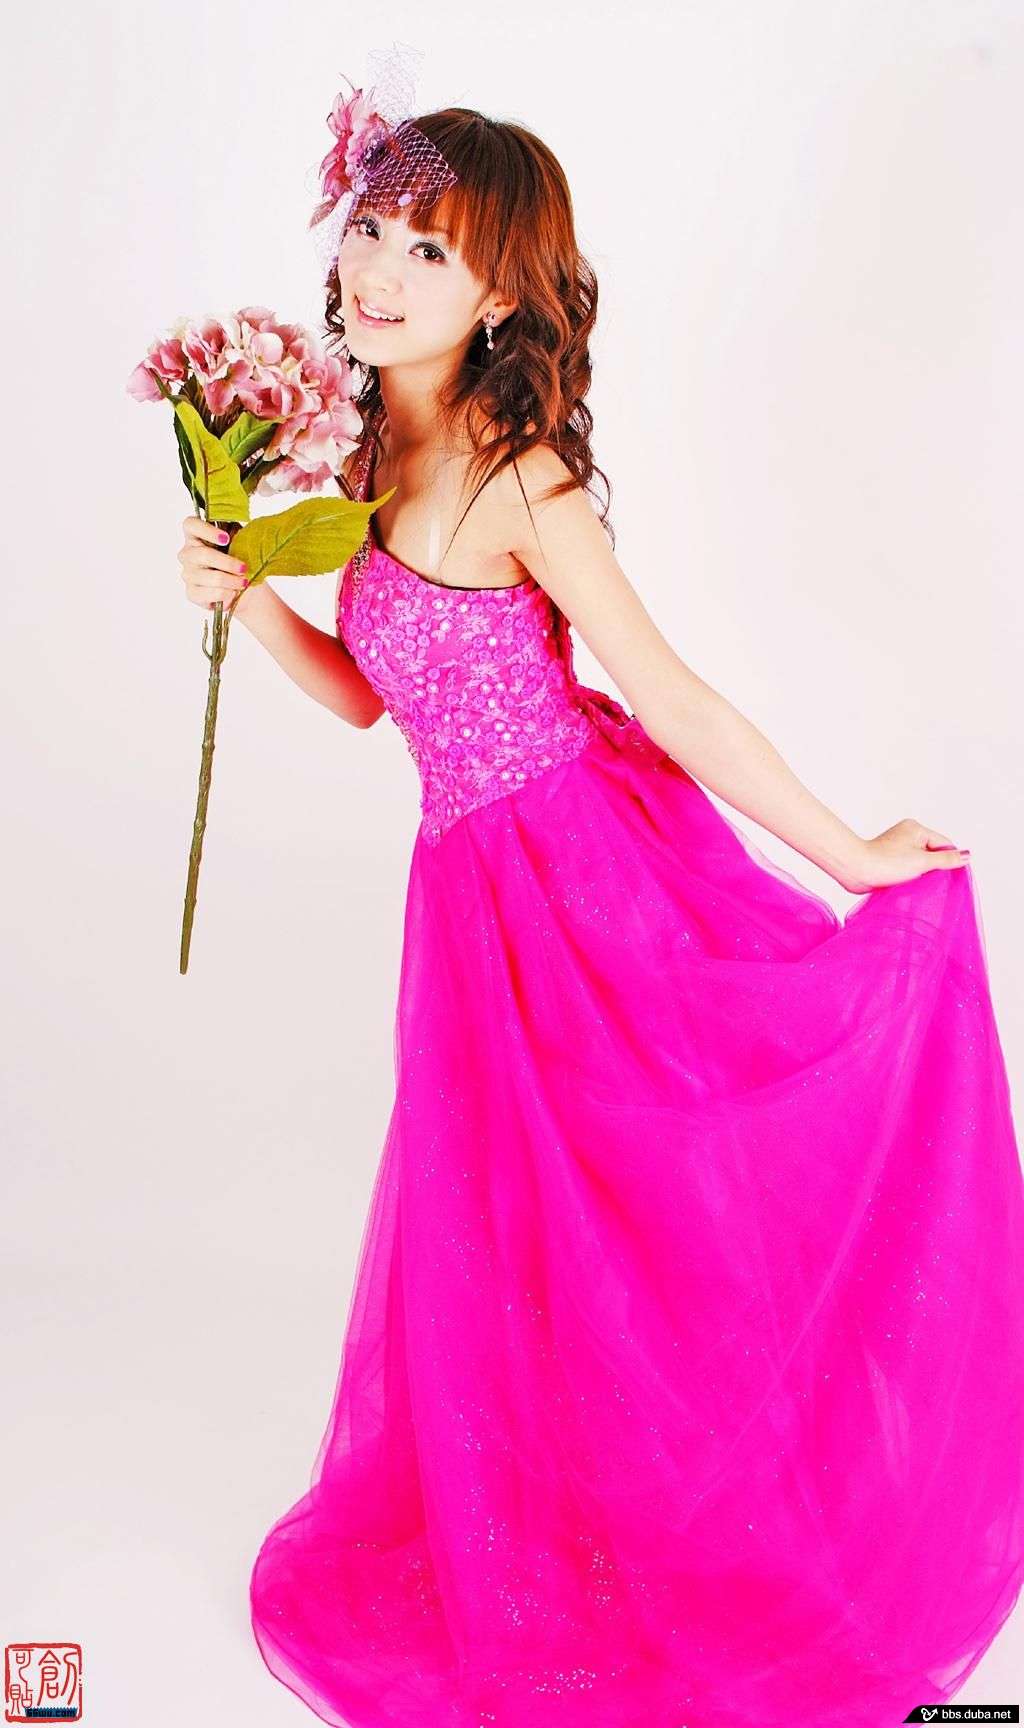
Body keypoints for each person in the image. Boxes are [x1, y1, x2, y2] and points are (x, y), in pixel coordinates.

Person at [177, 103, 1024, 1728]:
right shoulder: (365, 456)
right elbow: (368, 699)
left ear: (502, 295)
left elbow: (677, 696)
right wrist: (253, 600)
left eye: (432, 251)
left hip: (580, 882)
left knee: (638, 1214)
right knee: (508, 1223)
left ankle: (726, 1528)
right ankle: (562, 1525)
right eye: (372, 230)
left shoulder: (522, 477)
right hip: (466, 897)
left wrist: (850, 853)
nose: (380, 271)